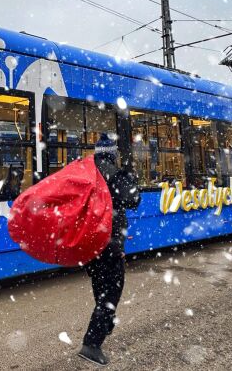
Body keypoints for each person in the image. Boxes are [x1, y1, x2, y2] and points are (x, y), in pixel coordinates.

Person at [78, 133, 139, 366]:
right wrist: (128, 177)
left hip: (90, 244)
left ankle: (107, 320)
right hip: (109, 243)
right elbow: (133, 200)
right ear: (113, 153)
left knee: (101, 288)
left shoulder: (87, 172)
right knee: (111, 293)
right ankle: (91, 344)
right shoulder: (114, 174)